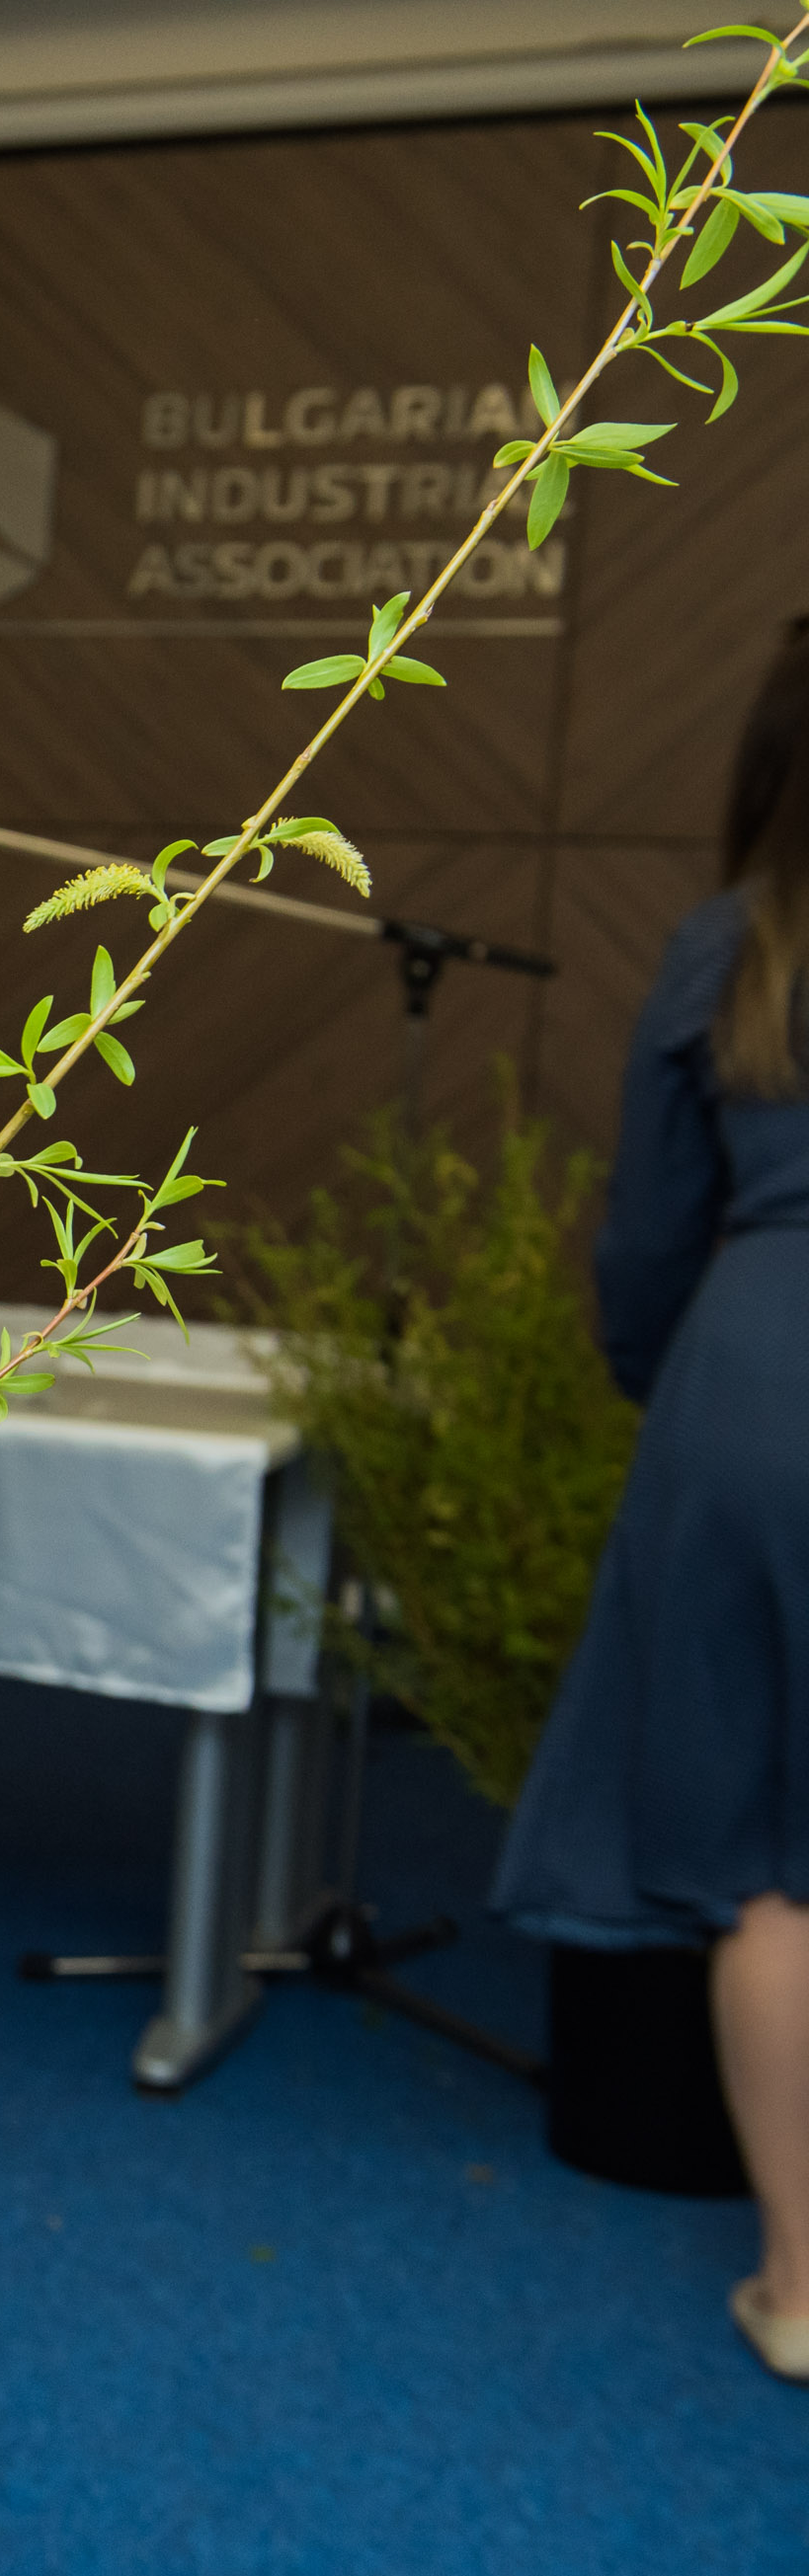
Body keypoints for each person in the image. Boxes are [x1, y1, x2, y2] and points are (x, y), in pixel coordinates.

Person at [496, 616, 809, 2385]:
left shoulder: (733, 944)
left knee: (768, 1862)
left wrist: (670, 1392)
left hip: (758, 1381)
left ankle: (801, 2284)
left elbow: (644, 1247)